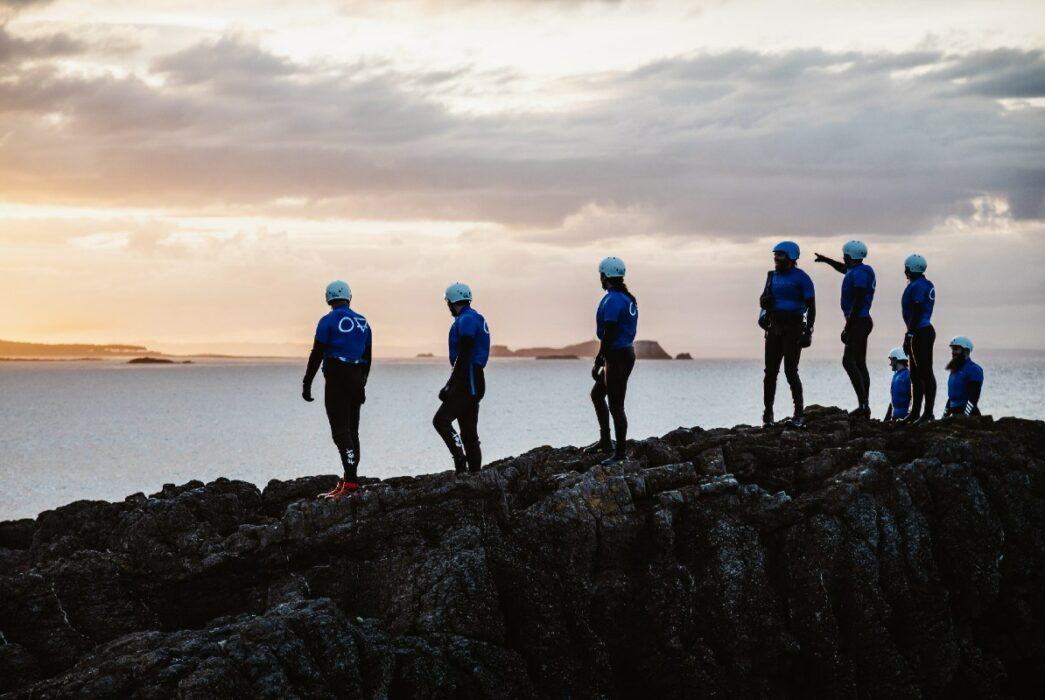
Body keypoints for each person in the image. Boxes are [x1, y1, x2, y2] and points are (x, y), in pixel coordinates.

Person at [302, 280, 372, 499]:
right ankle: (350, 479)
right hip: (356, 377)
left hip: (337, 378)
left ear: (328, 298)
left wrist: (307, 382)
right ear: (349, 297)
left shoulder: (327, 321)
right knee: (353, 431)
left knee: (341, 433)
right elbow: (367, 357)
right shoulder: (363, 322)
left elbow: (317, 353)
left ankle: (350, 484)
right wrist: (362, 382)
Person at [583, 256, 638, 465]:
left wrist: (599, 359)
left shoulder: (614, 299)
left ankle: (620, 453)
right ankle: (606, 440)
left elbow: (610, 331)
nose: (600, 278)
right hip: (621, 354)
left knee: (616, 405)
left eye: (600, 275)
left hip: (618, 356)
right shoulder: (625, 298)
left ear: (604, 276)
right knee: (597, 395)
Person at [433, 282, 490, 474]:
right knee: (468, 432)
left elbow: (465, 353)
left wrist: (450, 385)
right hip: (475, 378)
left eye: (447, 302)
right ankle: (475, 473)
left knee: (441, 420)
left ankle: (460, 462)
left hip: (469, 378)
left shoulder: (466, 320)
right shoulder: (475, 317)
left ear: (451, 301)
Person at [814, 240, 876, 418]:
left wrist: (847, 327)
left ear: (849, 256)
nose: (843, 257)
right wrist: (826, 260)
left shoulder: (858, 276)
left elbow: (858, 301)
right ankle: (865, 405)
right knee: (859, 362)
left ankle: (863, 405)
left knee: (848, 362)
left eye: (844, 255)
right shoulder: (864, 270)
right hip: (863, 321)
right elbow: (843, 268)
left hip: (858, 322)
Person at [759, 241, 816, 428]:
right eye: (775, 254)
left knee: (790, 370)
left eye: (780, 255)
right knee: (770, 372)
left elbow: (811, 307)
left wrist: (808, 331)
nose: (776, 258)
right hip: (774, 326)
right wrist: (764, 303)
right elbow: (763, 299)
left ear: (791, 257)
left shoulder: (802, 278)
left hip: (794, 326)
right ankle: (768, 414)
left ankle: (799, 412)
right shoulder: (771, 277)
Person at [900, 254, 937, 424]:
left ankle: (927, 413)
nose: (905, 271)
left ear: (911, 269)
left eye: (906, 268)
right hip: (919, 331)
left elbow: (916, 310)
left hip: (921, 332)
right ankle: (915, 413)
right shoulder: (923, 283)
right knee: (915, 374)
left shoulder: (917, 286)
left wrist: (909, 335)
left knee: (925, 373)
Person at [944, 336, 984, 417]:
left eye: (956, 349)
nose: (953, 352)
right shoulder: (955, 370)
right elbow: (952, 396)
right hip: (955, 413)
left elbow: (974, 397)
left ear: (965, 351)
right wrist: (945, 415)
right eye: (952, 349)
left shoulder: (974, 369)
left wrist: (965, 417)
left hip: (969, 414)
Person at [884, 347, 912, 421]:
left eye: (891, 360)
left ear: (896, 359)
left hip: (905, 417)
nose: (890, 364)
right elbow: (893, 400)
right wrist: (887, 417)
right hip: (895, 417)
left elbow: (913, 398)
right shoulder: (896, 376)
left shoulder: (908, 376)